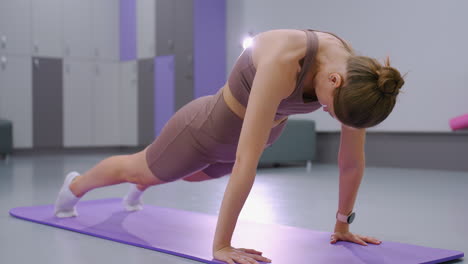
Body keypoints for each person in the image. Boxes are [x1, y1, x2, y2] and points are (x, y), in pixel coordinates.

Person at [54, 29, 405, 264]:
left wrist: (342, 225)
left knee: (178, 177)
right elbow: (245, 161)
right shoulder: (284, 61)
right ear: (333, 79)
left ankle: (146, 183)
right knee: (140, 168)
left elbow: (350, 163)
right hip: (200, 132)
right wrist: (221, 245)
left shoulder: (358, 84)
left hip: (242, 141)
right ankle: (74, 187)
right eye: (329, 107)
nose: (327, 112)